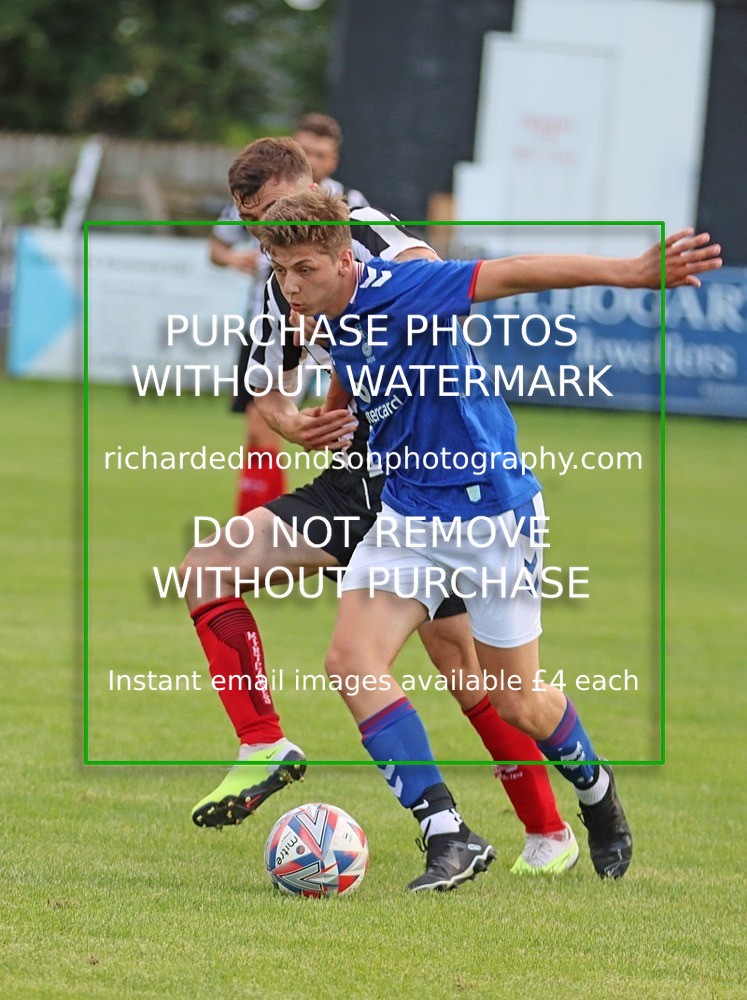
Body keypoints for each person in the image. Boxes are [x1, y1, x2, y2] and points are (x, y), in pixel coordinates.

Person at [255, 188, 722, 888]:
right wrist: (328, 419)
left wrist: (626, 272)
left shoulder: (410, 287)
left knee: (517, 703)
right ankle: (446, 833)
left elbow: (517, 269)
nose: (290, 285)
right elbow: (351, 377)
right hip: (409, 516)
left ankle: (595, 794)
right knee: (351, 659)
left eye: (303, 269)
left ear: (342, 256)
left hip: (489, 516)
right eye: (279, 268)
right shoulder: (317, 311)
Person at [182, 137, 578, 879]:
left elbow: (434, 295)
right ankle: (264, 743)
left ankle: (548, 830)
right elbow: (267, 387)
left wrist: (362, 386)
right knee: (207, 568)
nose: (268, 239)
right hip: (352, 481)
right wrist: (292, 421)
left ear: (314, 184)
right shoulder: (281, 276)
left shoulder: (369, 233)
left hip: (425, 483)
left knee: (469, 673)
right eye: (255, 226)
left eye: (273, 214)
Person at [209, 114, 368, 515]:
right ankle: (260, 525)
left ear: (330, 163)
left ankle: (265, 525)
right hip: (268, 322)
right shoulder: (258, 195)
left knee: (324, 421)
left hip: (326, 331)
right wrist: (232, 259)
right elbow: (216, 247)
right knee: (262, 427)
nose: (313, 158)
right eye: (306, 150)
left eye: (321, 154)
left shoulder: (350, 205)